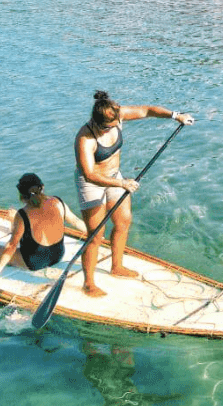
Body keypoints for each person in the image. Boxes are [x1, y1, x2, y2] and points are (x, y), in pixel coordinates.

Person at [74, 91, 193, 297]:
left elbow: (147, 110)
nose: (107, 130)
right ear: (95, 121)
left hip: (115, 177)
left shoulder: (118, 115)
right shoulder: (85, 139)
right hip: (92, 183)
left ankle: (116, 266)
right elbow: (89, 174)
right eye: (103, 127)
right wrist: (121, 183)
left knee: (123, 222)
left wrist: (175, 115)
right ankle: (89, 283)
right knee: (95, 235)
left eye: (111, 126)